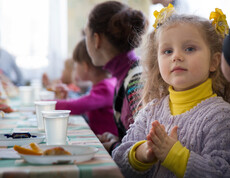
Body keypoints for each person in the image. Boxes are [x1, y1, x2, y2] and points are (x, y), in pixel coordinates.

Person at [113, 5, 230, 178]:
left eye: (189, 49)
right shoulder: (151, 110)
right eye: (167, 51)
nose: (176, 56)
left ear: (214, 62)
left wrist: (174, 155)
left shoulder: (221, 116)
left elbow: (221, 172)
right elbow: (117, 162)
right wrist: (141, 154)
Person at [84, 1, 148, 154]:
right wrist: (117, 141)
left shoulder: (136, 82)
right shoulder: (126, 76)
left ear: (96, 39)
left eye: (86, 35)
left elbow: (147, 149)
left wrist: (113, 148)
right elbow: (135, 140)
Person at [55, 38, 118, 136]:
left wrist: (46, 104)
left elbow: (76, 106)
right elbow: (84, 103)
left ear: (85, 66)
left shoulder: (105, 88)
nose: (75, 70)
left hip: (106, 144)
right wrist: (68, 98)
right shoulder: (106, 84)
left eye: (76, 66)